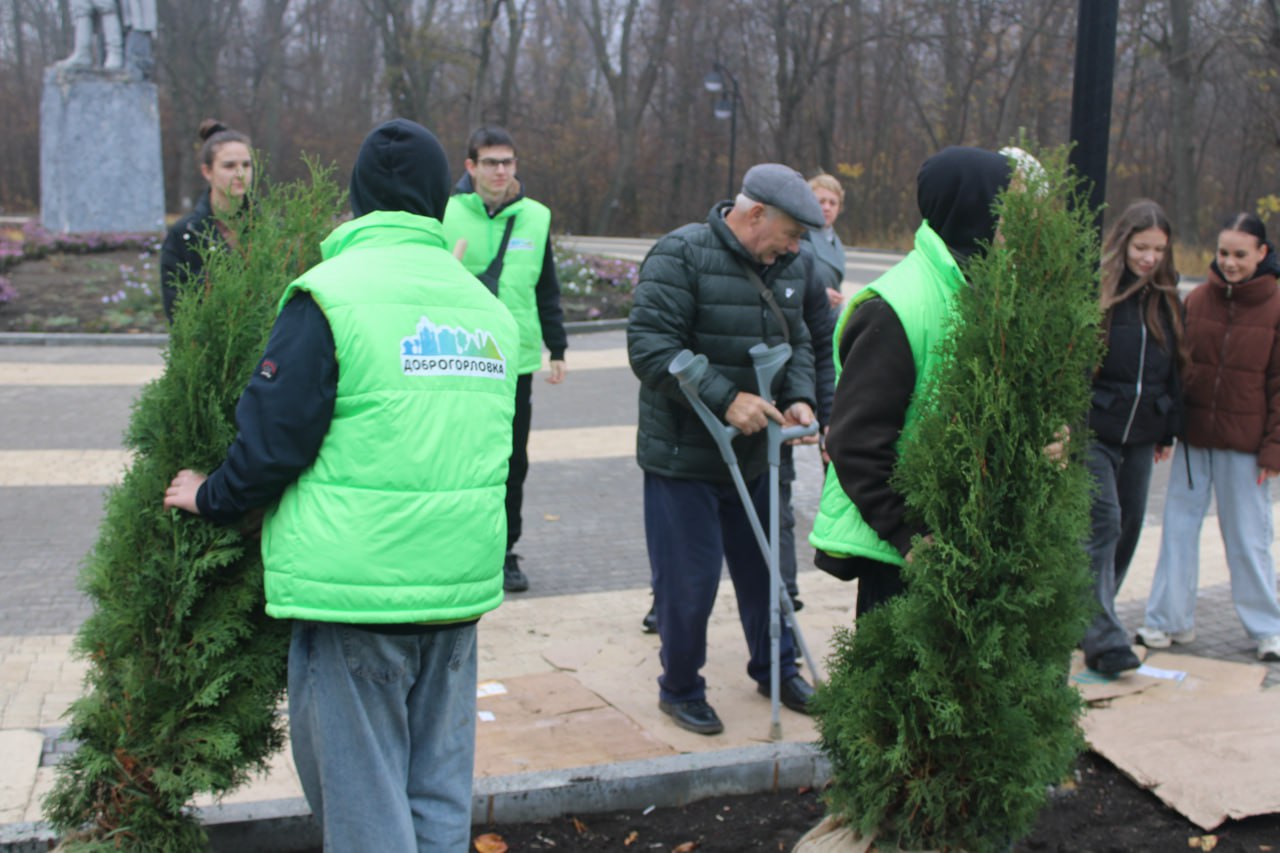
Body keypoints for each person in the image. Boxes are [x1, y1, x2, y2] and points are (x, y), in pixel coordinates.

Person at [162, 118, 519, 850]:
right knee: (437, 794)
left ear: (356, 197)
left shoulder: (326, 296)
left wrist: (210, 496)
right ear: (436, 197)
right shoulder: (484, 307)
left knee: (364, 812)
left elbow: (272, 442)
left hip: (357, 594)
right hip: (456, 591)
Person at [628, 163, 822, 735]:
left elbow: (802, 339)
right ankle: (681, 686)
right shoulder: (680, 255)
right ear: (756, 213)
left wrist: (800, 397)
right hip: (685, 459)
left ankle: (778, 668)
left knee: (768, 575)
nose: (796, 245)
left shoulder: (789, 264)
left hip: (758, 456)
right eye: (791, 231)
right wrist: (724, 397)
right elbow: (650, 345)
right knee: (689, 584)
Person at [809, 147, 1012, 617]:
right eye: (1009, 208)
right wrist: (911, 536)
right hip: (907, 558)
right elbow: (856, 441)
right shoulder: (897, 305)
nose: (1019, 223)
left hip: (971, 542)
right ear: (975, 208)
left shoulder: (985, 290)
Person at [1137, 212, 1280, 662]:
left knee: (1248, 538)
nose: (1230, 262)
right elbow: (1177, 372)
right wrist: (1167, 429)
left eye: (1240, 254)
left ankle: (1268, 628)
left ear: (1262, 253)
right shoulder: (1196, 300)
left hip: (1248, 446)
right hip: (1196, 440)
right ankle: (1166, 620)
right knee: (1177, 530)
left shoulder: (1276, 305)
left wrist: (1274, 448)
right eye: (1223, 253)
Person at [444, 125, 567, 594]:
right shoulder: (445, 212)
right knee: (458, 457)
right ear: (470, 166)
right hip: (456, 358)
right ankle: (458, 544)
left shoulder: (536, 217)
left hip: (513, 361)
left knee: (512, 461)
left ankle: (505, 551)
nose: (501, 171)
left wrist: (558, 348)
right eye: (491, 162)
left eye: (508, 162)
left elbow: (547, 286)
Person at [1080, 200, 1185, 675]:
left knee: (1130, 526)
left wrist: (1168, 428)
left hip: (1142, 432)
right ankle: (1103, 637)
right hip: (1095, 429)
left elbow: (1176, 370)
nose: (1149, 258)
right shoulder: (1100, 293)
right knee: (1103, 522)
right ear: (1123, 243)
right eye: (1141, 247)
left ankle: (1090, 615)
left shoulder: (1167, 301)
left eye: (1158, 249)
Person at [159, 119, 253, 323]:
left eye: (246, 165)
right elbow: (176, 309)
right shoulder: (184, 234)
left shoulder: (272, 229)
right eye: (229, 166)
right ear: (207, 171)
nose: (240, 173)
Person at [803, 172, 848, 312]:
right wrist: (818, 295)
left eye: (832, 203)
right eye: (821, 202)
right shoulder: (799, 236)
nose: (827, 208)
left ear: (839, 208)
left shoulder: (836, 242)